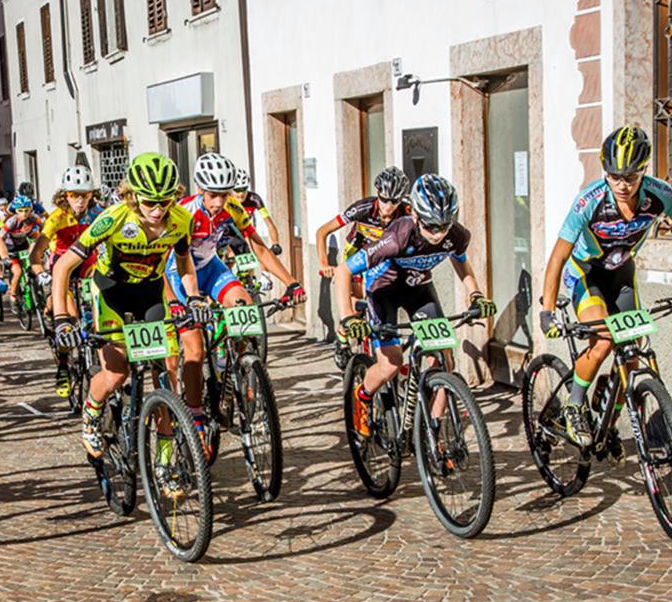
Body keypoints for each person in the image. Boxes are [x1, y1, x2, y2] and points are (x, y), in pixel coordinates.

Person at [540, 126, 672, 446]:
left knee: (632, 353)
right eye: (614, 176)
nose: (621, 184)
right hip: (585, 273)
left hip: (621, 275)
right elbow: (558, 257)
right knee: (603, 340)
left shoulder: (660, 196)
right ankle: (574, 407)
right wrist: (547, 309)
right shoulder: (589, 201)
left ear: (643, 170)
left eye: (630, 177)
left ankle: (610, 422)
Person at [51, 153, 204, 458]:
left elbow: (185, 265)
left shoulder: (181, 220)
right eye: (150, 202)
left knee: (166, 380)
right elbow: (63, 267)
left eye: (166, 202)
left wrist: (195, 298)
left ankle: (164, 463)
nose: (158, 210)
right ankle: (91, 415)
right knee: (117, 374)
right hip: (111, 293)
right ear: (133, 196)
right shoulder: (113, 218)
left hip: (150, 292)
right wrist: (61, 319)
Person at [333, 174, 496, 437]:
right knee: (391, 364)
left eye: (443, 226)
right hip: (383, 289)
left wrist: (476, 293)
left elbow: (461, 261)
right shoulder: (397, 237)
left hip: (419, 290)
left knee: (443, 360)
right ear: (417, 217)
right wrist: (347, 317)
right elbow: (342, 271)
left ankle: (434, 433)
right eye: (431, 226)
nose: (438, 234)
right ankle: (361, 396)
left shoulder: (456, 234)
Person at [165, 152, 305, 447]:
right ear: (201, 190)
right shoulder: (183, 213)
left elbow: (259, 247)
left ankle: (240, 366)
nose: (218, 202)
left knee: (243, 304)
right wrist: (184, 301)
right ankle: (196, 418)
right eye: (213, 195)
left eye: (224, 194)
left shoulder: (233, 209)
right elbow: (166, 261)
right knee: (194, 348)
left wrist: (291, 282)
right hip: (180, 272)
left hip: (210, 267)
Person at [316, 166, 412, 367]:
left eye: (395, 201)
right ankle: (343, 335)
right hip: (357, 256)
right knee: (357, 302)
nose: (388, 206)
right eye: (384, 199)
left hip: (385, 259)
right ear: (378, 193)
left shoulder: (407, 212)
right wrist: (325, 263)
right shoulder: (363, 208)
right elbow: (322, 231)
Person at [32, 164, 103, 398]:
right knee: (69, 318)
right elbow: (37, 252)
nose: (80, 201)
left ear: (92, 194)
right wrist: (40, 272)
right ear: (65, 195)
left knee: (100, 312)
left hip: (88, 267)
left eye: (85, 195)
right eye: (74, 195)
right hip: (63, 268)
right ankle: (63, 365)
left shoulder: (98, 214)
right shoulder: (57, 218)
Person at [230, 167, 281, 248]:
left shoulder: (254, 199)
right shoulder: (226, 199)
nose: (241, 193)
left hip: (245, 232)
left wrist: (275, 243)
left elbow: (269, 224)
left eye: (244, 189)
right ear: (231, 189)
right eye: (237, 190)